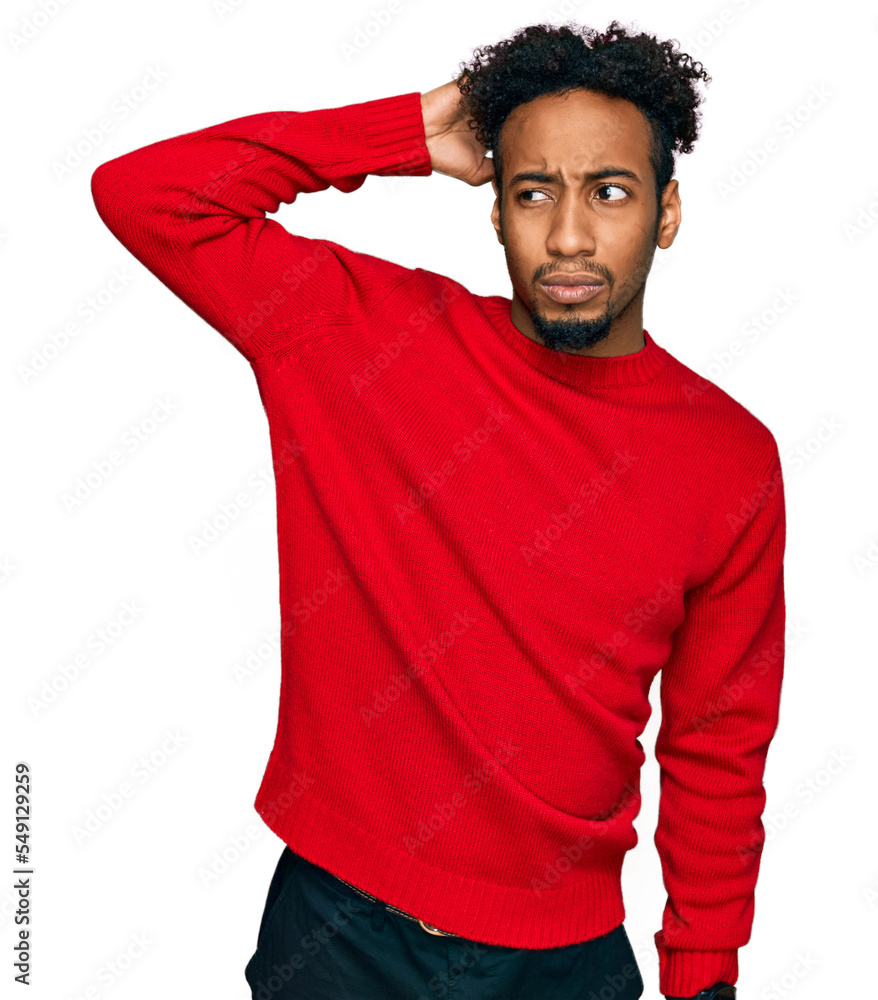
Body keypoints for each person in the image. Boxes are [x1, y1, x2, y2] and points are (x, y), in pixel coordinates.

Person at [90, 19, 784, 1000]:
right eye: (532, 191)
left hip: (563, 961)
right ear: (494, 211)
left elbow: (717, 742)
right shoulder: (353, 333)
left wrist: (703, 971)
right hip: (336, 937)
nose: (568, 235)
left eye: (609, 191)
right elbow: (149, 196)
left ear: (666, 212)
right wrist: (411, 129)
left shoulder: (729, 459)